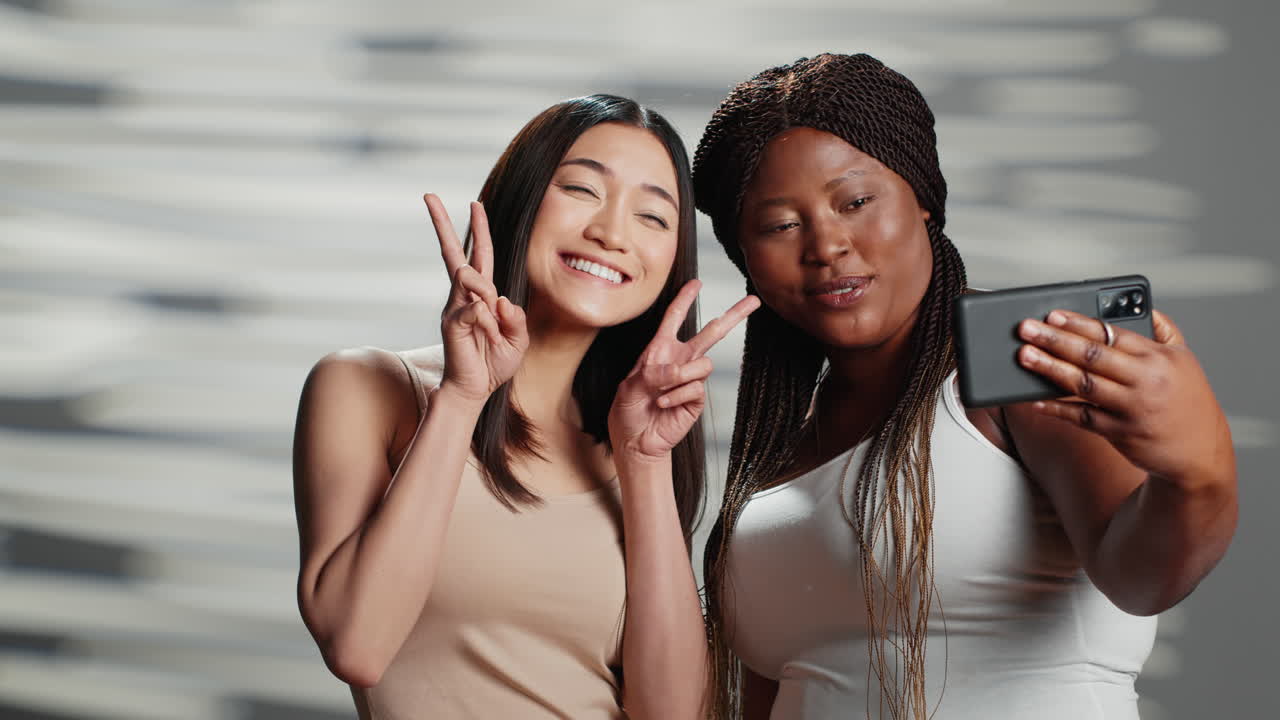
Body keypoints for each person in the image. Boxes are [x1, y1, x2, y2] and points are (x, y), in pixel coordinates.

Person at [691, 54, 1238, 720]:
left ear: (922, 197)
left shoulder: (1023, 366)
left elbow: (1143, 576)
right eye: (780, 225)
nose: (826, 244)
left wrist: (1199, 472)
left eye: (856, 201)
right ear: (743, 254)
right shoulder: (777, 452)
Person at [291, 93, 758, 719]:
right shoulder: (367, 387)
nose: (611, 233)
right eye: (582, 191)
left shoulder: (633, 444)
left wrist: (645, 463)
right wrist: (462, 397)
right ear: (522, 200)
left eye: (652, 216)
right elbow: (358, 645)